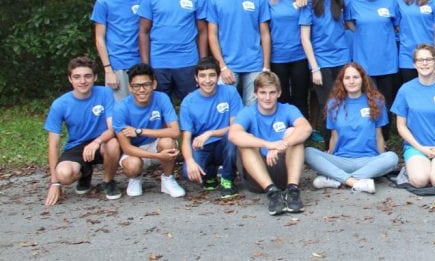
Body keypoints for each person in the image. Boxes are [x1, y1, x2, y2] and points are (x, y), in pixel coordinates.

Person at [305, 63, 399, 193]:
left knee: (392, 158)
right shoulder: (334, 104)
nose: (351, 81)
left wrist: (382, 159)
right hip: (341, 160)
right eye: (347, 78)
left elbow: (378, 136)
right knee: (308, 152)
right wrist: (329, 158)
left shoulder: (376, 102)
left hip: (368, 159)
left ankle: (337, 180)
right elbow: (334, 136)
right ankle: (356, 181)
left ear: (363, 79)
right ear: (342, 81)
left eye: (355, 77)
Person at [229, 71, 312, 215]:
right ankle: (273, 193)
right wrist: (268, 144)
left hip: (283, 171)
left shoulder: (288, 109)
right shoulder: (247, 112)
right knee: (245, 141)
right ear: (255, 94)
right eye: (262, 92)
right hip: (256, 177)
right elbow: (233, 135)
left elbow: (306, 128)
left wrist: (282, 144)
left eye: (272, 92)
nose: (267, 97)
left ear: (279, 93)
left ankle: (292, 191)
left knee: (294, 133)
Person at [44, 57, 121, 205]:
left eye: (87, 76)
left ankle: (108, 182)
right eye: (77, 77)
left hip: (102, 141)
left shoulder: (105, 93)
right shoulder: (60, 104)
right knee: (64, 174)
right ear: (70, 79)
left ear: (95, 77)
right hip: (77, 145)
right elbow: (53, 145)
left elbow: (113, 128)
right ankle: (84, 174)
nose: (83, 81)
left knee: (113, 144)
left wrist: (97, 142)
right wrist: (54, 183)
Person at [139, 0, 208, 102]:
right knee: (158, 108)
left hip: (188, 62)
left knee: (192, 106)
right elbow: (143, 31)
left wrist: (202, 62)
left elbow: (203, 31)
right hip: (159, 63)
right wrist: (145, 65)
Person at [391, 45, 435, 188]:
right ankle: (415, 169)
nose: (424, 63)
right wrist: (421, 148)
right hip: (416, 147)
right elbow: (401, 126)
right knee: (420, 181)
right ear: (414, 64)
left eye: (429, 59)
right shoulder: (405, 90)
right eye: (420, 60)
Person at [112, 62, 186, 198]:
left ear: (154, 84)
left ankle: (168, 179)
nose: (141, 90)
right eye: (136, 86)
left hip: (155, 144)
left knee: (168, 142)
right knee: (132, 165)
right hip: (135, 150)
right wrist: (159, 157)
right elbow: (127, 148)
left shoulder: (162, 98)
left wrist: (140, 131)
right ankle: (135, 178)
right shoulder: (120, 108)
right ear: (130, 87)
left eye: (146, 84)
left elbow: (175, 132)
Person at [207, 0, 272, 106]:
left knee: (254, 107)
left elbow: (265, 34)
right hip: (228, 65)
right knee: (224, 106)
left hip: (255, 64)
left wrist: (266, 66)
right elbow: (212, 35)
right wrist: (222, 66)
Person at [346, 0, 401, 133]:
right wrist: (363, 34)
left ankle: (384, 138)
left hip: (386, 61)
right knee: (366, 101)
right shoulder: (353, 1)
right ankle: (368, 135)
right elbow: (349, 23)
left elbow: (396, 25)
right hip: (364, 62)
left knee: (385, 100)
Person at [179, 57, 243, 199]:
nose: (207, 80)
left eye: (212, 75)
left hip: (225, 143)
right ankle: (210, 175)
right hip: (202, 147)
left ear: (218, 76)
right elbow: (186, 139)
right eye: (202, 76)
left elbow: (236, 127)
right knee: (186, 172)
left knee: (233, 136)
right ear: (196, 78)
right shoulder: (188, 102)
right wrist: (190, 162)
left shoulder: (230, 92)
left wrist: (210, 133)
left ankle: (227, 179)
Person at [301, 0, 351, 111]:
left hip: (342, 58)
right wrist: (314, 68)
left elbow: (350, 26)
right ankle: (330, 135)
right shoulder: (308, 2)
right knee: (329, 105)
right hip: (321, 61)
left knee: (345, 102)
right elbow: (305, 38)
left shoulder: (341, 0)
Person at [93, 0, 144, 101]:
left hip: (141, 63)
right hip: (117, 65)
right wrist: (108, 70)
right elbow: (99, 38)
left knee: (141, 108)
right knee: (119, 112)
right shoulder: (104, 2)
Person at [268, 0, 311, 117]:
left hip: (299, 55)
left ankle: (302, 133)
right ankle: (283, 131)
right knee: (282, 96)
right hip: (277, 56)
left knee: (300, 97)